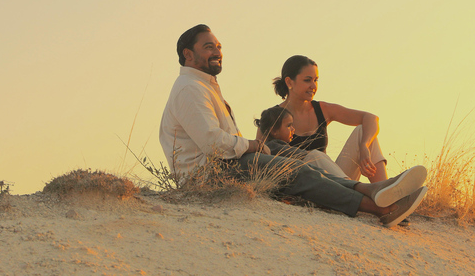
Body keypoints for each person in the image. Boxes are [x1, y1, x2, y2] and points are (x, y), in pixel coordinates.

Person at [159, 24, 428, 227]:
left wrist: (254, 148)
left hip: (225, 165)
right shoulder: (189, 89)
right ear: (188, 54)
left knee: (300, 164)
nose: (217, 52)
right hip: (208, 175)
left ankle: (376, 189)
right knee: (295, 170)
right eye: (209, 47)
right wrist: (252, 145)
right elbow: (212, 142)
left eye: (219, 46)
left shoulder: (204, 87)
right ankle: (380, 208)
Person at [266, 55, 390, 183]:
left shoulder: (322, 109)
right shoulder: (273, 118)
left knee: (362, 131)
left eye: (316, 80)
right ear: (289, 82)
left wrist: (364, 146)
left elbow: (370, 118)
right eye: (307, 80)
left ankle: (383, 190)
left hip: (333, 180)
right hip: (302, 185)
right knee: (315, 155)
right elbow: (257, 156)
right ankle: (357, 191)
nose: (313, 86)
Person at [254, 105, 350, 179]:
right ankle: (347, 182)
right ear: (274, 131)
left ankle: (346, 182)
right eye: (289, 125)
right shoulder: (272, 146)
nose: (293, 129)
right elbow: (301, 155)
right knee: (315, 155)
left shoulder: (275, 145)